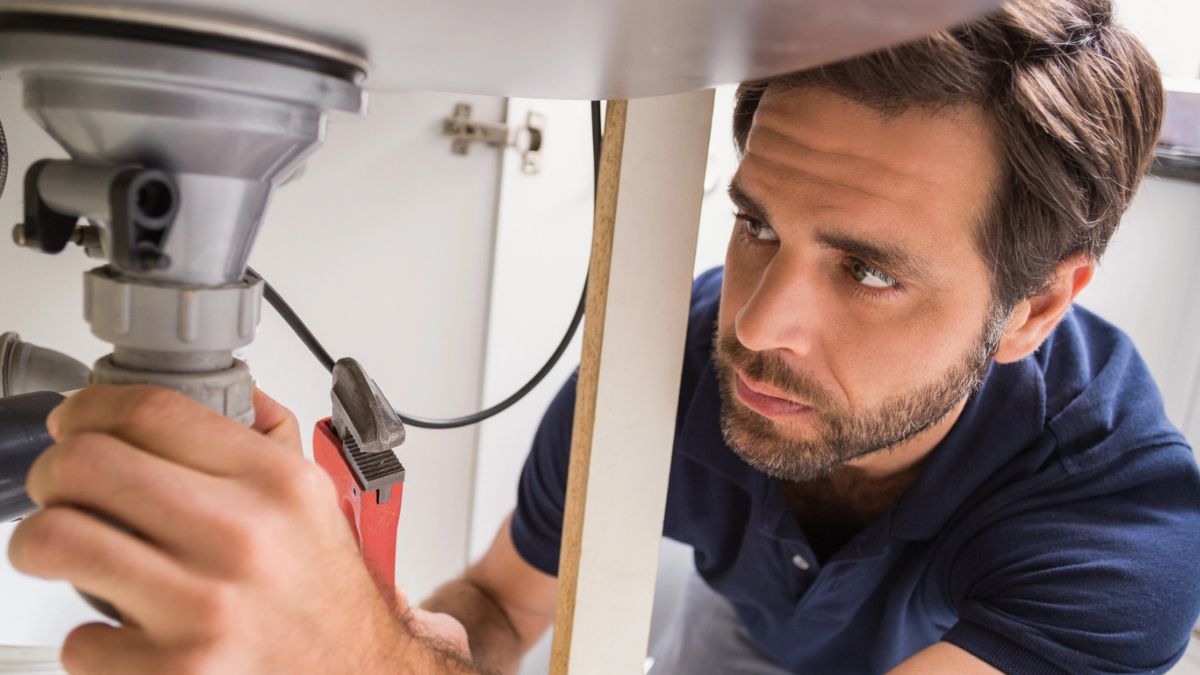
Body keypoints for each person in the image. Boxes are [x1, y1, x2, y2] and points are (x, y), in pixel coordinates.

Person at [9, 0, 1200, 673]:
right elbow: (496, 600)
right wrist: (406, 633)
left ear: (1037, 306)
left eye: (872, 271)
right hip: (740, 619)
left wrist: (351, 661)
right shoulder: (671, 369)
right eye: (755, 223)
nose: (758, 322)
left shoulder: (1122, 540)